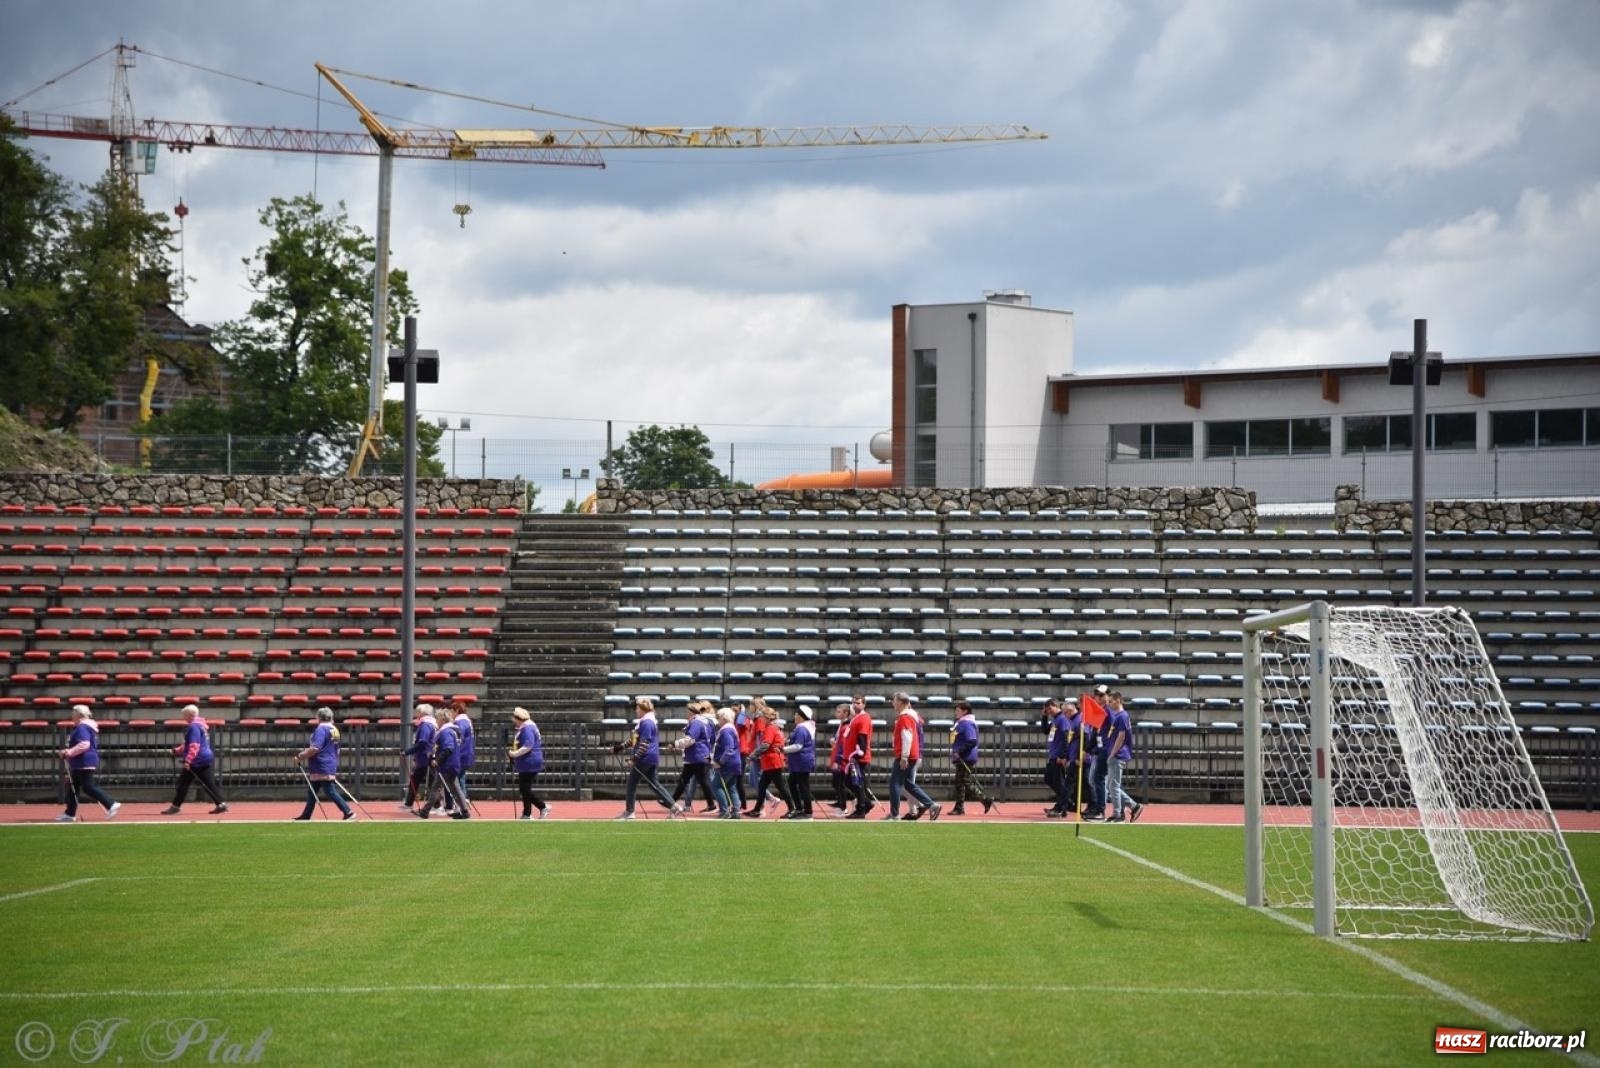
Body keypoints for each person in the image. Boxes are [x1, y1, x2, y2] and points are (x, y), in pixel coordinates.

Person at [55, 704, 120, 823]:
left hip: (84, 761)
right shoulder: (85, 726)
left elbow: (84, 744)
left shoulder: (82, 727)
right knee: (73, 787)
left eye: (74, 712)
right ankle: (69, 813)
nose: (72, 715)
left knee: (88, 786)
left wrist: (69, 752)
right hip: (81, 761)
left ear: (80, 714)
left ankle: (111, 803)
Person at [161, 704, 228, 815]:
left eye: (184, 715)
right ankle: (221, 804)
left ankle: (175, 807)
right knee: (208, 783)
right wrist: (176, 751)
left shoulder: (193, 727)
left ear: (190, 715)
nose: (183, 717)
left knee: (183, 784)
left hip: (197, 760)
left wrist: (188, 760)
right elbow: (188, 745)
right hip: (204, 757)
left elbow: (194, 746)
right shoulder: (200, 725)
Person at [293, 707, 354, 821]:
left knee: (329, 789)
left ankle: (347, 811)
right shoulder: (334, 729)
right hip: (330, 762)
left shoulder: (321, 729)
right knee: (313, 790)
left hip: (321, 764)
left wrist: (301, 756)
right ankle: (306, 814)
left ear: (319, 717)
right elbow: (337, 748)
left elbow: (315, 748)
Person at [616, 697, 671, 820]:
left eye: (637, 708)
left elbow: (644, 743)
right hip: (652, 757)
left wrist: (634, 759)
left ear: (643, 709)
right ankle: (674, 807)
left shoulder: (646, 723)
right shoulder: (646, 721)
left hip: (645, 758)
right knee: (654, 784)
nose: (636, 711)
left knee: (631, 783)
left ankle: (630, 811)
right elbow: (634, 740)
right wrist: (619, 747)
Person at [887, 692, 940, 821]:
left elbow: (907, 737)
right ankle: (932, 805)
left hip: (906, 755)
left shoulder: (904, 717)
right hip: (913, 755)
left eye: (894, 701)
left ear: (900, 702)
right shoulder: (911, 716)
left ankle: (895, 814)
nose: (893, 703)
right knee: (908, 784)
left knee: (895, 784)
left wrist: (904, 757)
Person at [1100, 690, 1143, 823]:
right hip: (1116, 753)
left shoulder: (1122, 716)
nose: (1109, 704)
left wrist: (1112, 753)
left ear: (1118, 700)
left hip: (1118, 754)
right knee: (1111, 786)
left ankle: (1119, 813)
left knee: (1113, 786)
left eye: (1111, 701)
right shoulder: (1119, 716)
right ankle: (1131, 807)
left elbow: (1121, 736)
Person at [668, 700, 717, 819]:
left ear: (693, 712)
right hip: (698, 755)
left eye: (689, 712)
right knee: (686, 780)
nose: (687, 714)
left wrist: (675, 744)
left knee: (699, 781)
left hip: (696, 755)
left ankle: (712, 805)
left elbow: (690, 740)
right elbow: (712, 739)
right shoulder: (705, 722)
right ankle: (671, 801)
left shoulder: (696, 723)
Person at [948, 701, 994, 816]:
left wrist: (959, 751)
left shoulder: (967, 723)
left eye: (958, 710)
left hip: (965, 757)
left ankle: (985, 800)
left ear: (965, 711)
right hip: (962, 757)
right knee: (960, 783)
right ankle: (959, 807)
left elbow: (972, 741)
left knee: (965, 782)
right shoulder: (961, 723)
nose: (955, 712)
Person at [423, 706, 469, 820]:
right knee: (455, 788)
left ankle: (425, 811)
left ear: (443, 719)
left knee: (435, 787)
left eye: (437, 719)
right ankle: (465, 811)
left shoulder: (445, 732)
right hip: (454, 763)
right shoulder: (454, 730)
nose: (436, 722)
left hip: (446, 765)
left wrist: (437, 760)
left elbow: (448, 748)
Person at [749, 704, 795, 818]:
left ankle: (792, 808)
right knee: (762, 786)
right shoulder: (774, 727)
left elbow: (765, 745)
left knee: (781, 787)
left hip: (772, 762)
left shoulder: (770, 728)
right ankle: (757, 809)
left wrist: (753, 755)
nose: (760, 719)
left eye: (762, 717)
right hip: (771, 762)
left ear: (767, 717)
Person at [508, 707, 550, 820]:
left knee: (524, 789)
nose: (514, 722)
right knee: (525, 788)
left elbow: (528, 745)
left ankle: (542, 806)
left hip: (529, 761)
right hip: (527, 762)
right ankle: (527, 813)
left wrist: (514, 754)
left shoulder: (527, 728)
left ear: (518, 718)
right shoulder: (528, 726)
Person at [840, 692, 875, 818]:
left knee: (856, 783)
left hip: (858, 757)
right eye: (853, 702)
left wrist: (859, 754)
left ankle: (861, 808)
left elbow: (862, 737)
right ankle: (866, 803)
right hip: (852, 756)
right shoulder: (855, 717)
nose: (855, 705)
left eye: (858, 703)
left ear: (864, 704)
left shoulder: (864, 718)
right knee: (850, 782)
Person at [782, 704, 817, 820]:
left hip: (802, 761)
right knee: (793, 783)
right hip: (799, 762)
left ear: (801, 716)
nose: (794, 716)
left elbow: (798, 746)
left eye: (796, 714)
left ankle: (807, 811)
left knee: (803, 786)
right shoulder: (803, 727)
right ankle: (799, 808)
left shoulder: (802, 729)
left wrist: (783, 749)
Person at [401, 703, 436, 813]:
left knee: (430, 782)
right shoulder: (430, 723)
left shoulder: (426, 725)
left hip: (425, 758)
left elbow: (422, 743)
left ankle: (437, 805)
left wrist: (407, 752)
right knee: (418, 780)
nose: (416, 715)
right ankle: (408, 803)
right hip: (425, 757)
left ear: (422, 713)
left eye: (418, 712)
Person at [710, 706, 743, 819]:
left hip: (727, 764)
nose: (718, 720)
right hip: (735, 763)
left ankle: (724, 811)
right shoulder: (732, 729)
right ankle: (736, 811)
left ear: (724, 718)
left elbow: (729, 749)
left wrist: (720, 762)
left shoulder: (726, 731)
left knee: (716, 785)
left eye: (719, 717)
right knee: (731, 787)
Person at [1043, 698, 1072, 818]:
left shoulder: (1062, 719)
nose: (1049, 711)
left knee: (1059, 783)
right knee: (1049, 779)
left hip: (1058, 756)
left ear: (1056, 706)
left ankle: (1062, 807)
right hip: (1053, 755)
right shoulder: (1055, 720)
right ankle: (1066, 802)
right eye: (1047, 710)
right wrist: (1044, 717)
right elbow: (1045, 730)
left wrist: (1063, 756)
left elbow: (1067, 737)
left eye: (1050, 709)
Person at [827, 702, 852, 812]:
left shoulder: (846, 726)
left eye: (839, 712)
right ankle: (841, 802)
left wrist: (838, 760)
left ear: (846, 713)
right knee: (836, 782)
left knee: (840, 782)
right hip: (838, 754)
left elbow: (843, 744)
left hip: (841, 758)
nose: (836, 714)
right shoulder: (841, 724)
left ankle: (843, 805)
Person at [451, 700, 476, 799]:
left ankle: (461, 800)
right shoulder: (467, 721)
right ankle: (463, 799)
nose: (451, 714)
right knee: (461, 778)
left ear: (457, 710)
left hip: (461, 754)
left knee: (456, 780)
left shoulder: (460, 722)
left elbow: (458, 738)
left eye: (452, 711)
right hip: (467, 753)